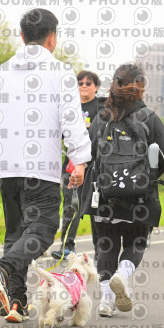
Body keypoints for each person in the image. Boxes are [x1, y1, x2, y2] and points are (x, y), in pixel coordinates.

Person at [0, 8, 91, 323]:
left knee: (16, 232)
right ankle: (3, 269)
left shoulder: (0, 72)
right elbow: (72, 120)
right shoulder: (61, 72)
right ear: (52, 38)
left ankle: (16, 303)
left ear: (21, 36)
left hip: (6, 167)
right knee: (43, 230)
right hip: (41, 168)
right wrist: (79, 159)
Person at [80, 62, 164, 318]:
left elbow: (89, 153)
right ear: (140, 87)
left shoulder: (102, 117)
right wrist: (147, 178)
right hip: (139, 196)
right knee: (136, 241)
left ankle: (106, 301)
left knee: (106, 245)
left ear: (114, 84)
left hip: (104, 193)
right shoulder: (149, 117)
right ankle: (122, 274)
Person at [51, 71, 106, 261]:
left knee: (96, 207)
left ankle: (101, 249)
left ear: (96, 87)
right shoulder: (69, 106)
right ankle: (67, 246)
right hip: (72, 165)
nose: (83, 86)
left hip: (96, 166)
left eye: (88, 83)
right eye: (80, 83)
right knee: (71, 205)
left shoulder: (102, 108)